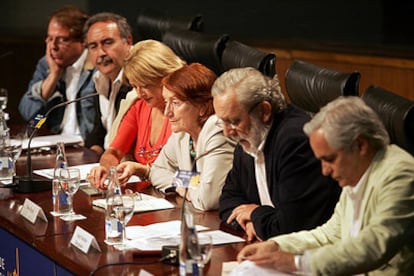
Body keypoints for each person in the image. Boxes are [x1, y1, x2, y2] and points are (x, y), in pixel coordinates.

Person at [236, 96, 414, 275]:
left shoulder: (400, 175)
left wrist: (297, 263)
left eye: (329, 159)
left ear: (360, 145)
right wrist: (276, 245)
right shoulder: (357, 171)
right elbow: (330, 235)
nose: (324, 171)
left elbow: (374, 245)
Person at [211, 67, 341, 241]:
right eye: (223, 122)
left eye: (234, 121)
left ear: (264, 111)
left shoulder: (295, 141)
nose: (227, 132)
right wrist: (249, 223)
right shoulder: (248, 139)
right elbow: (228, 200)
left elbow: (291, 227)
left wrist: (256, 214)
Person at [87, 40, 186, 189]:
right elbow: (113, 152)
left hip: (177, 200)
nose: (139, 93)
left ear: (165, 77)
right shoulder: (139, 105)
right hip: (147, 197)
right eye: (134, 86)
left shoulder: (187, 114)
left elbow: (196, 179)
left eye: (145, 85)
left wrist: (146, 172)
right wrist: (106, 169)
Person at [145, 63, 236, 211]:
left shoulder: (218, 130)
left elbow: (207, 200)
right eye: (166, 102)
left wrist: (182, 185)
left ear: (202, 107)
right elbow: (157, 170)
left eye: (175, 103)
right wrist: (187, 183)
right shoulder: (183, 133)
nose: (167, 112)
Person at [19, 5, 97, 144]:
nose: (53, 46)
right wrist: (53, 76)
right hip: (55, 143)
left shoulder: (96, 65)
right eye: (49, 38)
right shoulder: (47, 65)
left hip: (86, 146)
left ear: (83, 41)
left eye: (62, 40)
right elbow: (30, 116)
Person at [82, 12, 135, 154]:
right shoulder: (100, 79)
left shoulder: (138, 83)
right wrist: (91, 157)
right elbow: (98, 132)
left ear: (128, 41)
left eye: (107, 43)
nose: (101, 53)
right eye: (93, 46)